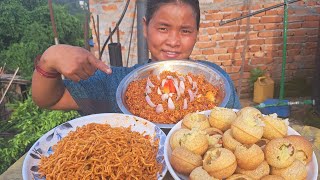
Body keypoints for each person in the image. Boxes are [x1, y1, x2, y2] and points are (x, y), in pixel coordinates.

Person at [32, 0, 241, 115]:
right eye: (163, 28)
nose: (174, 41)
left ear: (197, 32)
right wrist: (49, 60)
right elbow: (50, 99)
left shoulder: (215, 82)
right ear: (145, 27)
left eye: (185, 31)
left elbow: (237, 131)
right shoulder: (116, 84)